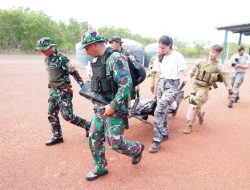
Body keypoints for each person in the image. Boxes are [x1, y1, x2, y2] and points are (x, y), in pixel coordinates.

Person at [80, 31, 144, 181]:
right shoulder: (97, 60)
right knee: (94, 136)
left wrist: (113, 105)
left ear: (95, 44)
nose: (85, 51)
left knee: (116, 144)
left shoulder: (115, 59)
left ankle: (137, 149)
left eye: (87, 47)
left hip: (115, 108)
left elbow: (126, 84)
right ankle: (100, 167)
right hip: (100, 107)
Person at [35, 37, 90, 146]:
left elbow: (74, 73)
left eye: (44, 49)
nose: (43, 52)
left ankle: (88, 125)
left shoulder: (62, 59)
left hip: (64, 91)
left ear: (52, 47)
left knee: (67, 116)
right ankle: (57, 136)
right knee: (51, 114)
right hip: (53, 91)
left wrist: (82, 85)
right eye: (41, 50)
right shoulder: (47, 59)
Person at [149, 35, 188, 153]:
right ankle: (164, 133)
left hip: (172, 85)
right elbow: (157, 75)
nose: (161, 50)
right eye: (159, 48)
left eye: (163, 48)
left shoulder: (177, 56)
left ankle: (157, 140)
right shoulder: (159, 57)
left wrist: (190, 87)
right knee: (164, 110)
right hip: (161, 84)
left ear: (169, 46)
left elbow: (185, 72)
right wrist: (155, 93)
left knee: (159, 110)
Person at [183, 44, 232, 134]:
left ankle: (188, 125)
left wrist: (230, 91)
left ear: (219, 54)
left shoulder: (218, 66)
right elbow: (192, 71)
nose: (211, 54)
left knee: (193, 104)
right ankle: (200, 115)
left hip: (204, 89)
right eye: (211, 51)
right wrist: (187, 77)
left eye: (214, 53)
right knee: (196, 106)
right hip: (195, 86)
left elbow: (226, 77)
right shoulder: (201, 61)